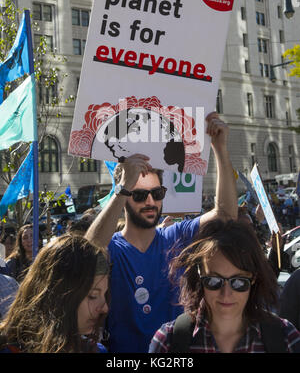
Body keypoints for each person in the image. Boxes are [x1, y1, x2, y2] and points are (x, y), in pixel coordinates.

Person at [86, 112, 238, 353]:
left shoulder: (176, 236)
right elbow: (87, 251)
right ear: (124, 196)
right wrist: (123, 186)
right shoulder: (112, 247)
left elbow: (227, 215)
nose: (150, 201)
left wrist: (220, 149)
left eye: (157, 194)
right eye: (138, 194)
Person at [149, 219, 300, 353]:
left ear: (253, 278)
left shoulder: (285, 337)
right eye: (214, 281)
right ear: (200, 276)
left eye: (239, 282)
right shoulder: (168, 341)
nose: (226, 293)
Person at [0, 234, 109, 353]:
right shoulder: (8, 348)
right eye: (93, 296)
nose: (105, 308)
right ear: (57, 294)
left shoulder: (96, 350)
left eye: (105, 294)